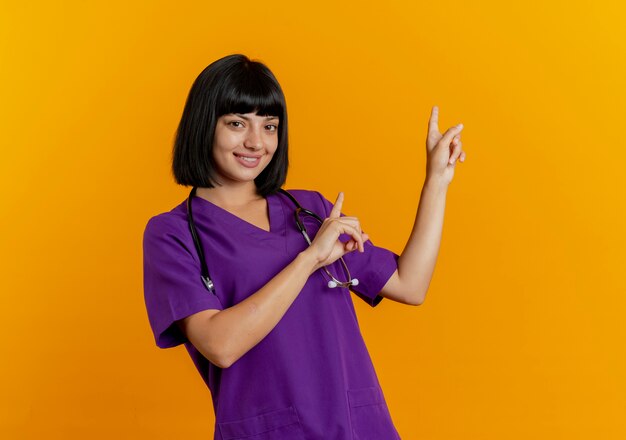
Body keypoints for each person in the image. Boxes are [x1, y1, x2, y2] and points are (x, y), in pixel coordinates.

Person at [142, 53, 466, 440]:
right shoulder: (173, 233)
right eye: (236, 123)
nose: (255, 142)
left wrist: (436, 182)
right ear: (204, 125)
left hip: (360, 428)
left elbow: (410, 285)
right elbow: (220, 345)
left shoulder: (310, 211)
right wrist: (310, 259)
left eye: (270, 125)